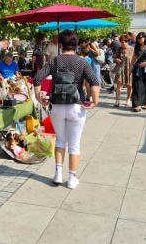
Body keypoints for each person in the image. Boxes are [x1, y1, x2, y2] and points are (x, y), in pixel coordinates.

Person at [33, 30, 100, 189]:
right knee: (74, 144)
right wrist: (95, 101)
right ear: (76, 45)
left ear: (61, 45)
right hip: (76, 107)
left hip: (56, 107)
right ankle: (71, 179)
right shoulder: (82, 62)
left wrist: (38, 96)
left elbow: (37, 78)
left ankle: (57, 174)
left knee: (61, 141)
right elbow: (94, 81)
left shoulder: (55, 61)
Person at [112, 34, 133, 107]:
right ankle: (117, 100)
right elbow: (115, 57)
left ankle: (128, 99)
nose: (122, 43)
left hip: (129, 69)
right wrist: (116, 59)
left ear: (128, 41)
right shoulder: (119, 49)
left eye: (123, 41)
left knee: (130, 85)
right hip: (120, 68)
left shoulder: (132, 49)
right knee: (119, 84)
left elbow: (135, 59)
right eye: (121, 41)